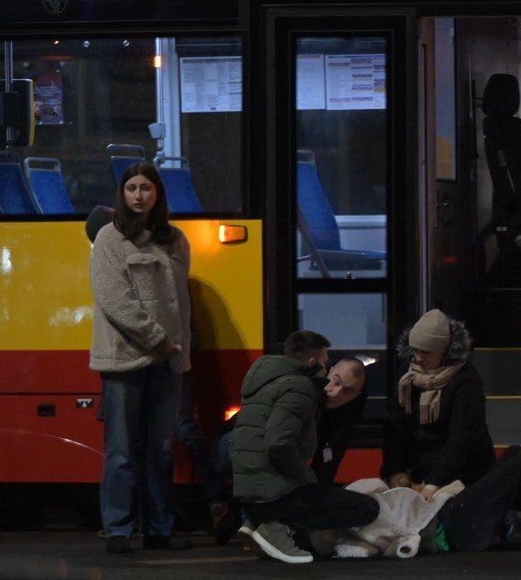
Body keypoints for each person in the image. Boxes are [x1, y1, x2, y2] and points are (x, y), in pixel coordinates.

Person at [389, 307, 521, 554]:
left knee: (519, 455)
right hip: (438, 498)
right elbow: (396, 431)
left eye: (426, 352)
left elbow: (463, 438)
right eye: (415, 350)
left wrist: (433, 484)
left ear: (444, 351)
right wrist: (396, 474)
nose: (418, 358)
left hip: (454, 486)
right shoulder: (407, 380)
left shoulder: (464, 380)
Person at [89, 163, 192, 554]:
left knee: (160, 450)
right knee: (120, 450)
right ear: (123, 194)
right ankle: (118, 530)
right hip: (125, 359)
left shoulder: (175, 239)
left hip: (168, 362)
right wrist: (158, 339)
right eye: (131, 187)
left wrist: (177, 351)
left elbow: (180, 302)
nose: (138, 195)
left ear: (157, 194)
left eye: (145, 187)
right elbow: (115, 300)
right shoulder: (110, 238)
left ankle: (159, 529)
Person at [232, 331, 379, 563]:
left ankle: (261, 523)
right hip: (274, 490)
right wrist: (307, 479)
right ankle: (274, 527)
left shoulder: (265, 379)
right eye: (326, 366)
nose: (336, 391)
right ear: (314, 363)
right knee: (367, 509)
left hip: (255, 487)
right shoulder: (301, 387)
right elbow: (278, 444)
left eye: (348, 390)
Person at [211, 355, 367, 544]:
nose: (336, 393)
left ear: (356, 395)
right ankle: (255, 522)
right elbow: (273, 442)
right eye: (336, 382)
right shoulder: (305, 388)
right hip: (234, 443)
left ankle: (256, 521)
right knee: (276, 456)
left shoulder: (348, 412)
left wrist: (318, 499)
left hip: (268, 453)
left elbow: (330, 457)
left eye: (347, 391)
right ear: (330, 371)